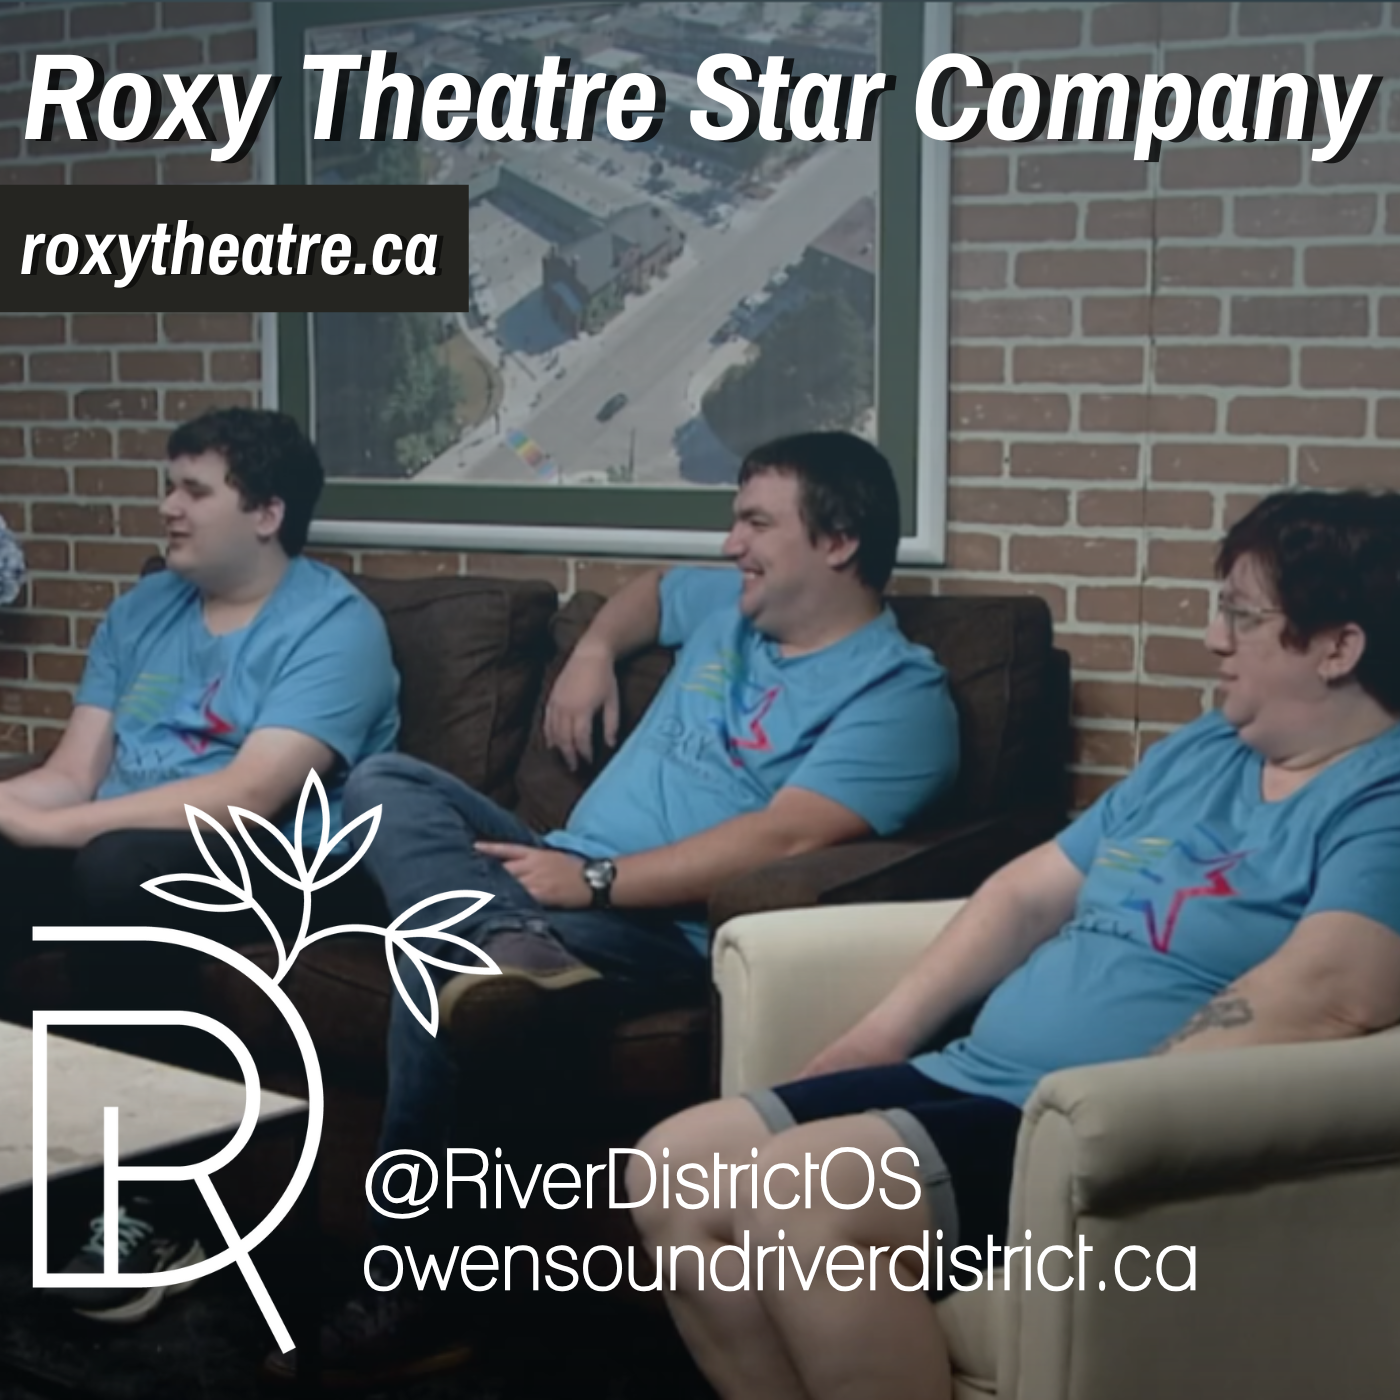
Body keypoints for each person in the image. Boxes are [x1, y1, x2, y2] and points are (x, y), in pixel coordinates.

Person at [628, 487, 1400, 1400]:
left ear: (1338, 646)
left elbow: (1335, 989)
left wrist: (1111, 1109)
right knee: (672, 1163)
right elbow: (1027, 895)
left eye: (1241, 614)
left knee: (799, 1190)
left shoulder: (1377, 799)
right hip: (977, 1076)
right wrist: (878, 1037)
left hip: (1087, 1123)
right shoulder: (1204, 751)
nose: (1213, 638)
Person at [270, 431, 960, 1388]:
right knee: (387, 777)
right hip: (554, 875)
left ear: (838, 541)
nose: (732, 547)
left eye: (756, 523)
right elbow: (650, 595)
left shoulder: (900, 695)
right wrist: (594, 648)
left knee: (432, 962)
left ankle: (414, 1297)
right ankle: (499, 942)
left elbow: (787, 840)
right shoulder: (733, 605)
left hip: (659, 927)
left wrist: (600, 885)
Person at [0, 407, 400, 1323]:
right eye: (167, 487)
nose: (168, 509)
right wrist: (14, 813)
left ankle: (161, 1208)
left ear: (266, 512)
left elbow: (252, 794)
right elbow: (71, 772)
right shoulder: (144, 609)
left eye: (194, 491)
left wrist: (61, 831)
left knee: (113, 871)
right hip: (121, 839)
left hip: (272, 863)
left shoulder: (336, 628)